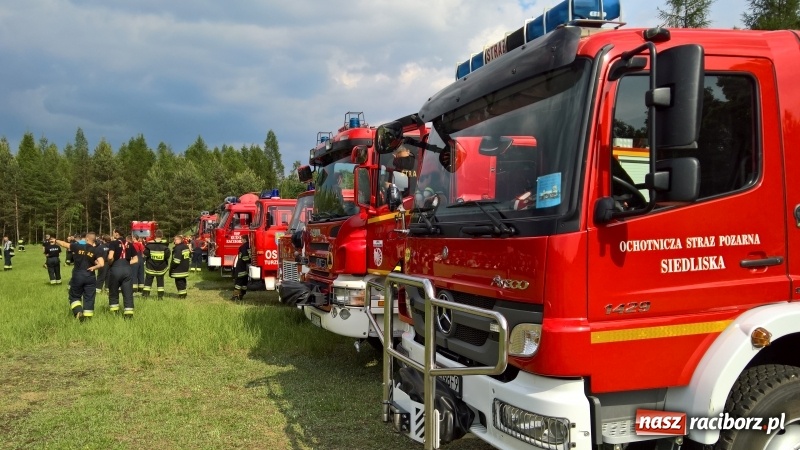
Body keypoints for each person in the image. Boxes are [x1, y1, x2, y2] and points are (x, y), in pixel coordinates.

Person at [55, 232, 104, 320]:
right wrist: (94, 267)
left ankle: (78, 312)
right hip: (90, 276)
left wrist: (55, 240)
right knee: (89, 297)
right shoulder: (96, 250)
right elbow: (102, 264)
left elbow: (64, 244)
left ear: (87, 239)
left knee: (74, 296)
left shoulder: (77, 246)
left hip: (78, 275)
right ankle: (88, 318)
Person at [107, 229, 138, 318]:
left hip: (116, 268)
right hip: (127, 269)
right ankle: (128, 313)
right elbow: (136, 259)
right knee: (128, 292)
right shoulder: (130, 244)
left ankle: (114, 312)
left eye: (113, 233)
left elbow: (110, 256)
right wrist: (127, 263)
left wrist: (110, 262)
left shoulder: (113, 243)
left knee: (113, 291)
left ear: (117, 233)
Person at [143, 230, 170, 299]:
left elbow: (145, 254)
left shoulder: (149, 245)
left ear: (155, 235)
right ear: (162, 235)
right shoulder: (165, 246)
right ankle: (160, 296)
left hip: (150, 267)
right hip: (161, 267)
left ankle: (145, 295)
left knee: (148, 281)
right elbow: (167, 256)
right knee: (160, 281)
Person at [231, 235, 251, 301]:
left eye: (241, 239)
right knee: (244, 283)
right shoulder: (249, 246)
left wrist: (246, 261)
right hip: (246, 268)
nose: (241, 240)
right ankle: (242, 294)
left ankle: (235, 296)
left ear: (245, 239)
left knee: (238, 283)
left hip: (241, 267)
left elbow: (245, 257)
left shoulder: (243, 247)